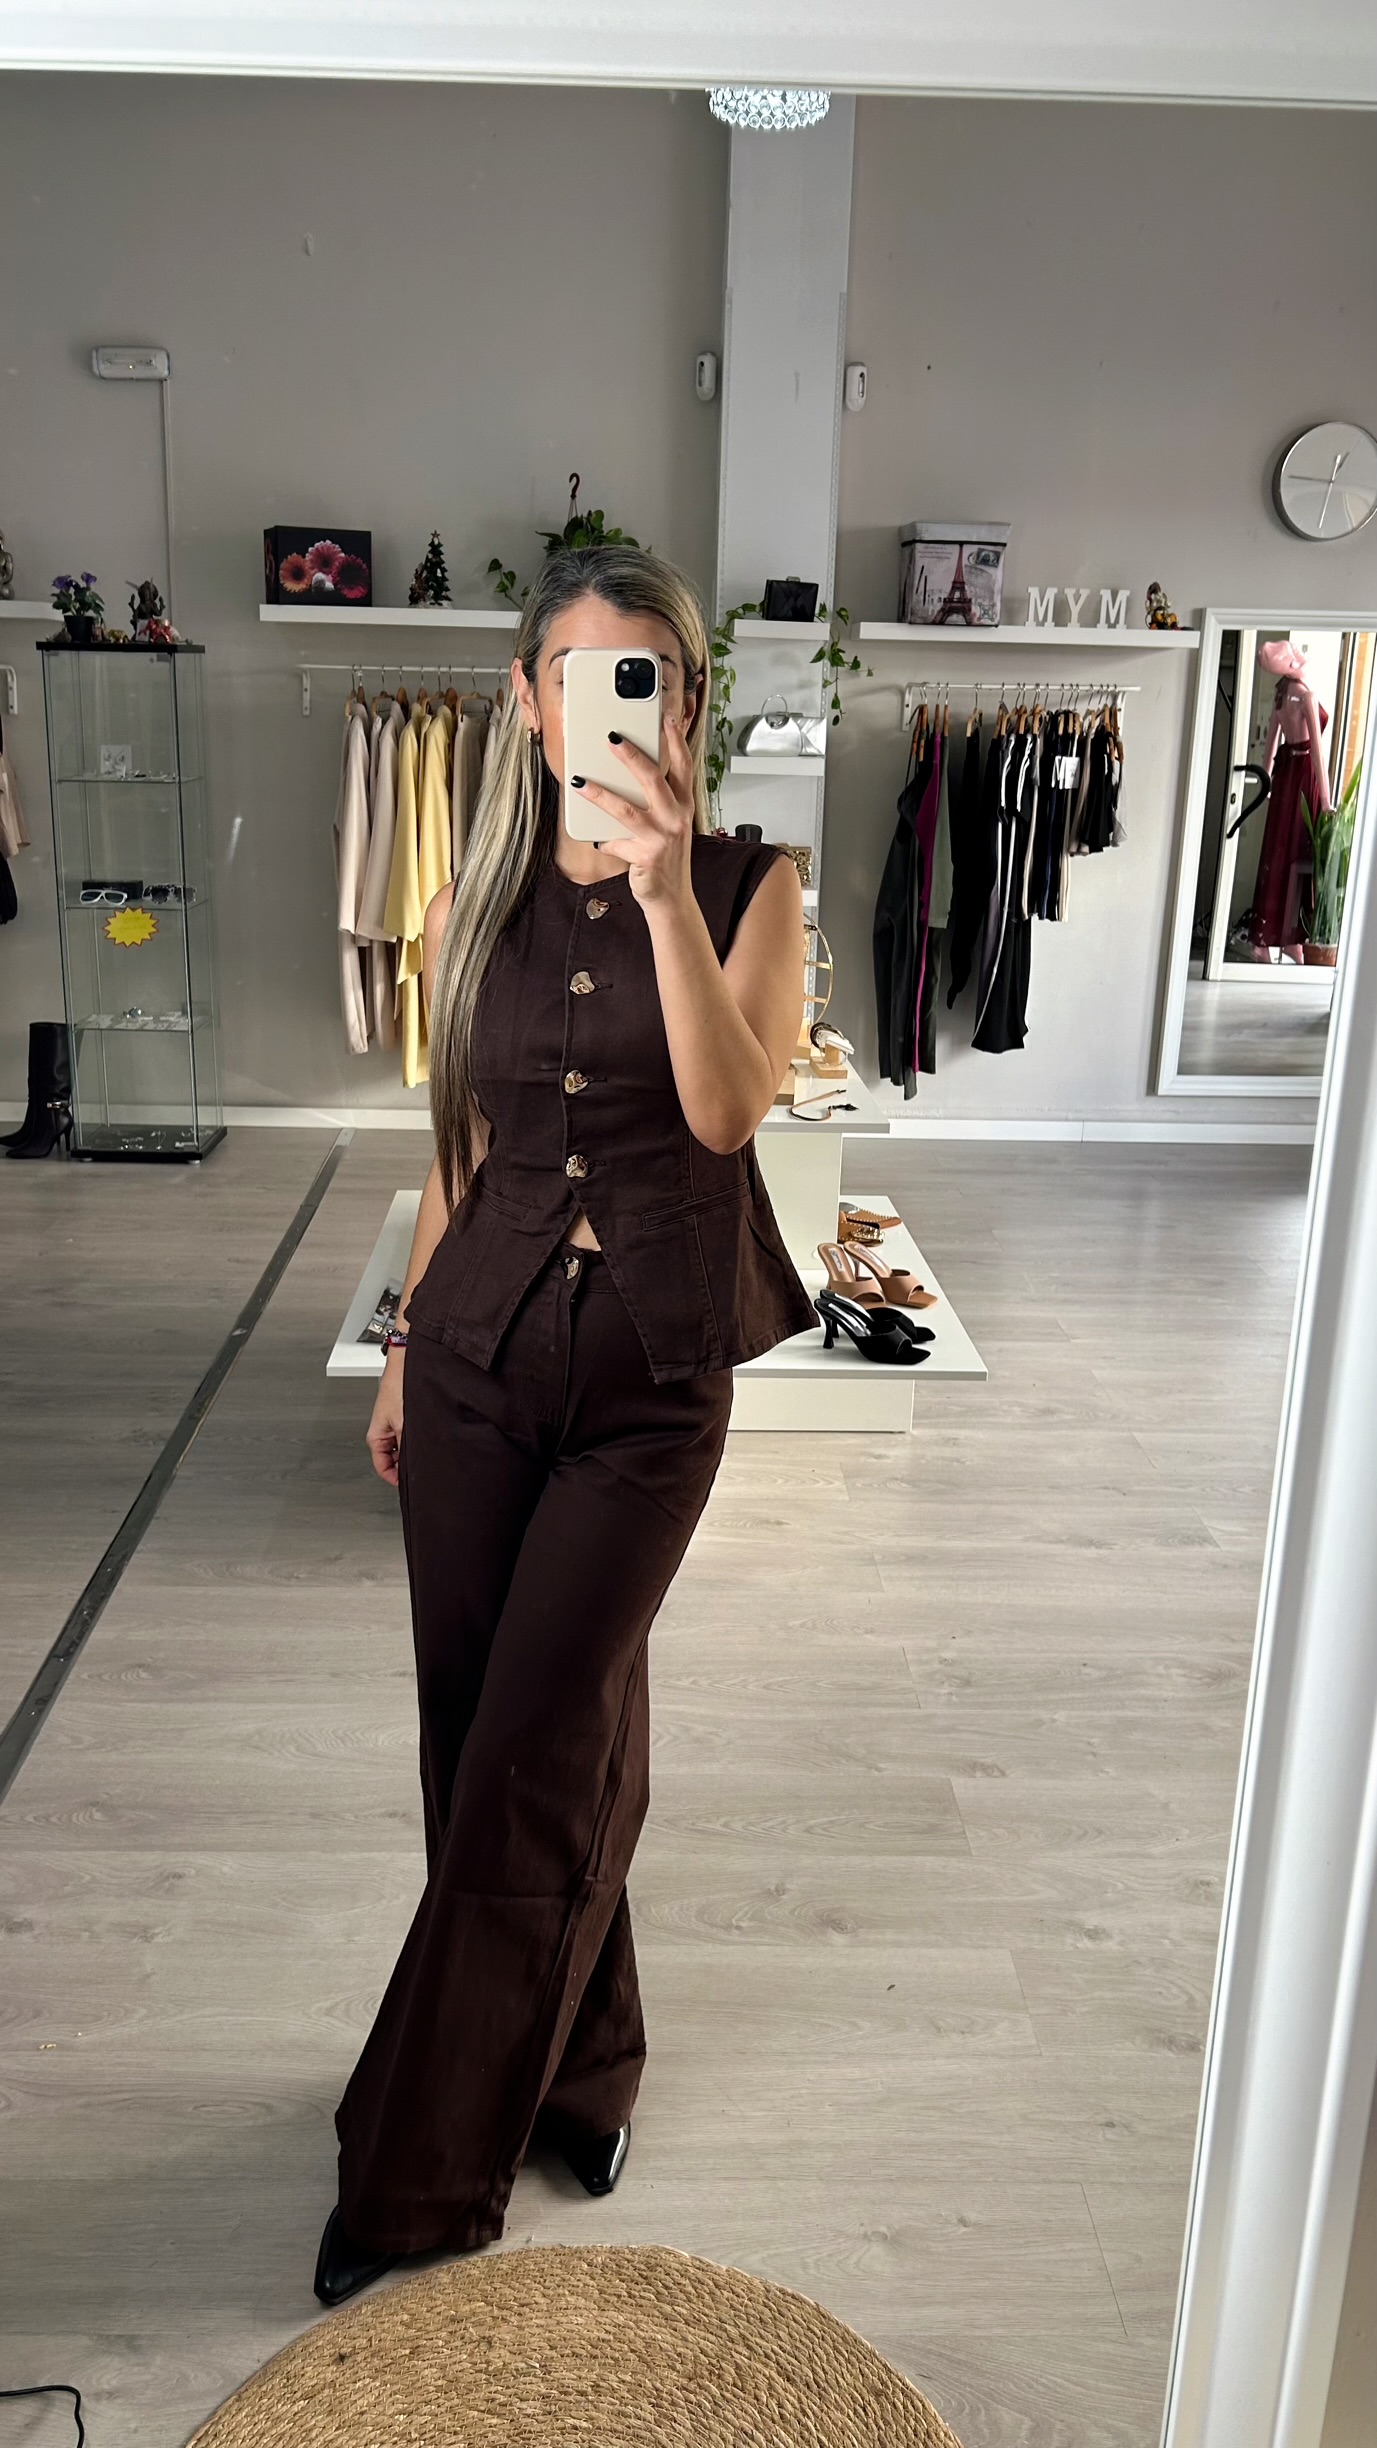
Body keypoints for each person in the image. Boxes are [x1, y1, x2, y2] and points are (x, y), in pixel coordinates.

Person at [315, 546, 816, 2304]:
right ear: (527, 704)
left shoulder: (751, 888)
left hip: (651, 1380)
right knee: (485, 1745)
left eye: (650, 679)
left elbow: (729, 1109)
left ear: (688, 702)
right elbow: (458, 1146)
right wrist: (402, 1348)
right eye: (584, 679)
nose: (616, 711)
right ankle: (585, 2066)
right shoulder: (471, 900)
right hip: (473, 1354)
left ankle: (417, 2176)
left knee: (538, 1752)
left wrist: (667, 893)